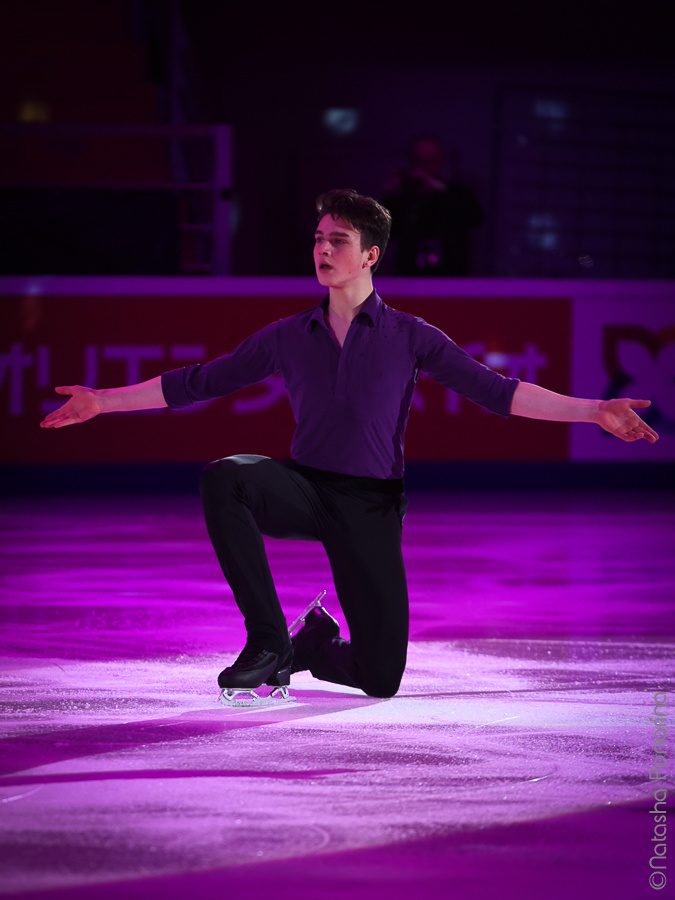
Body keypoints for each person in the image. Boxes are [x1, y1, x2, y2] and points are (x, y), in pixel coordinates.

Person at [40, 188, 659, 701]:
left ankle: (313, 646)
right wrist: (103, 400)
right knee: (225, 476)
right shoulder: (288, 335)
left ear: (370, 256)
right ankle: (268, 641)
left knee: (381, 679)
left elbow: (499, 392)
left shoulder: (411, 336)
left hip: (371, 507)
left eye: (337, 240)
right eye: (317, 238)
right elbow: (197, 382)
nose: (323, 248)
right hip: (305, 488)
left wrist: (594, 411)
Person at [383, 134, 484, 276]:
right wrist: (391, 196)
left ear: (441, 160)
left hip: (450, 277)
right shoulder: (402, 196)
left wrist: (442, 190)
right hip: (408, 278)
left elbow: (476, 219)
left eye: (432, 160)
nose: (425, 167)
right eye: (420, 160)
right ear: (411, 160)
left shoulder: (457, 192)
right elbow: (383, 233)